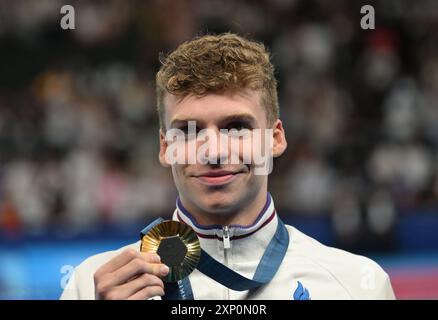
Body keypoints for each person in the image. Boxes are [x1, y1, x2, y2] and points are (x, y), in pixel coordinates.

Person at [60, 33, 395, 300]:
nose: (214, 152)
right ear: (165, 148)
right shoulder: (95, 286)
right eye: (188, 131)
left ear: (275, 139)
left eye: (236, 127)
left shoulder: (357, 286)